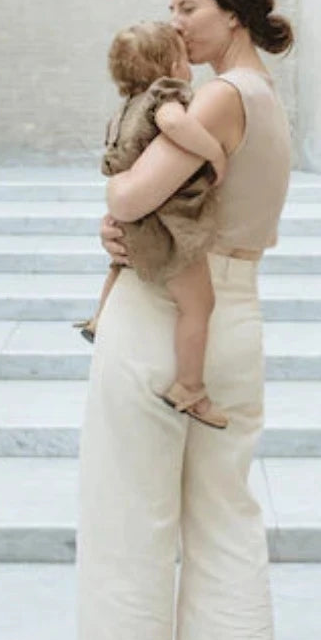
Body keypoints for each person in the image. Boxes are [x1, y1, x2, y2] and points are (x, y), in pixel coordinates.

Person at [72, 0, 293, 640]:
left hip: (159, 312)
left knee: (132, 514)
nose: (176, 22)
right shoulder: (266, 99)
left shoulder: (214, 97)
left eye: (189, 6)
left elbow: (131, 197)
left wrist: (113, 213)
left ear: (233, 12)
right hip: (233, 316)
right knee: (226, 517)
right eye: (170, 8)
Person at [75, 21, 230, 429]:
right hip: (163, 227)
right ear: (173, 65)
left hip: (132, 224)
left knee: (119, 263)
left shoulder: (125, 107)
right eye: (182, 56)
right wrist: (214, 152)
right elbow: (175, 124)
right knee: (198, 305)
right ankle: (190, 389)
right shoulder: (165, 96)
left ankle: (98, 319)